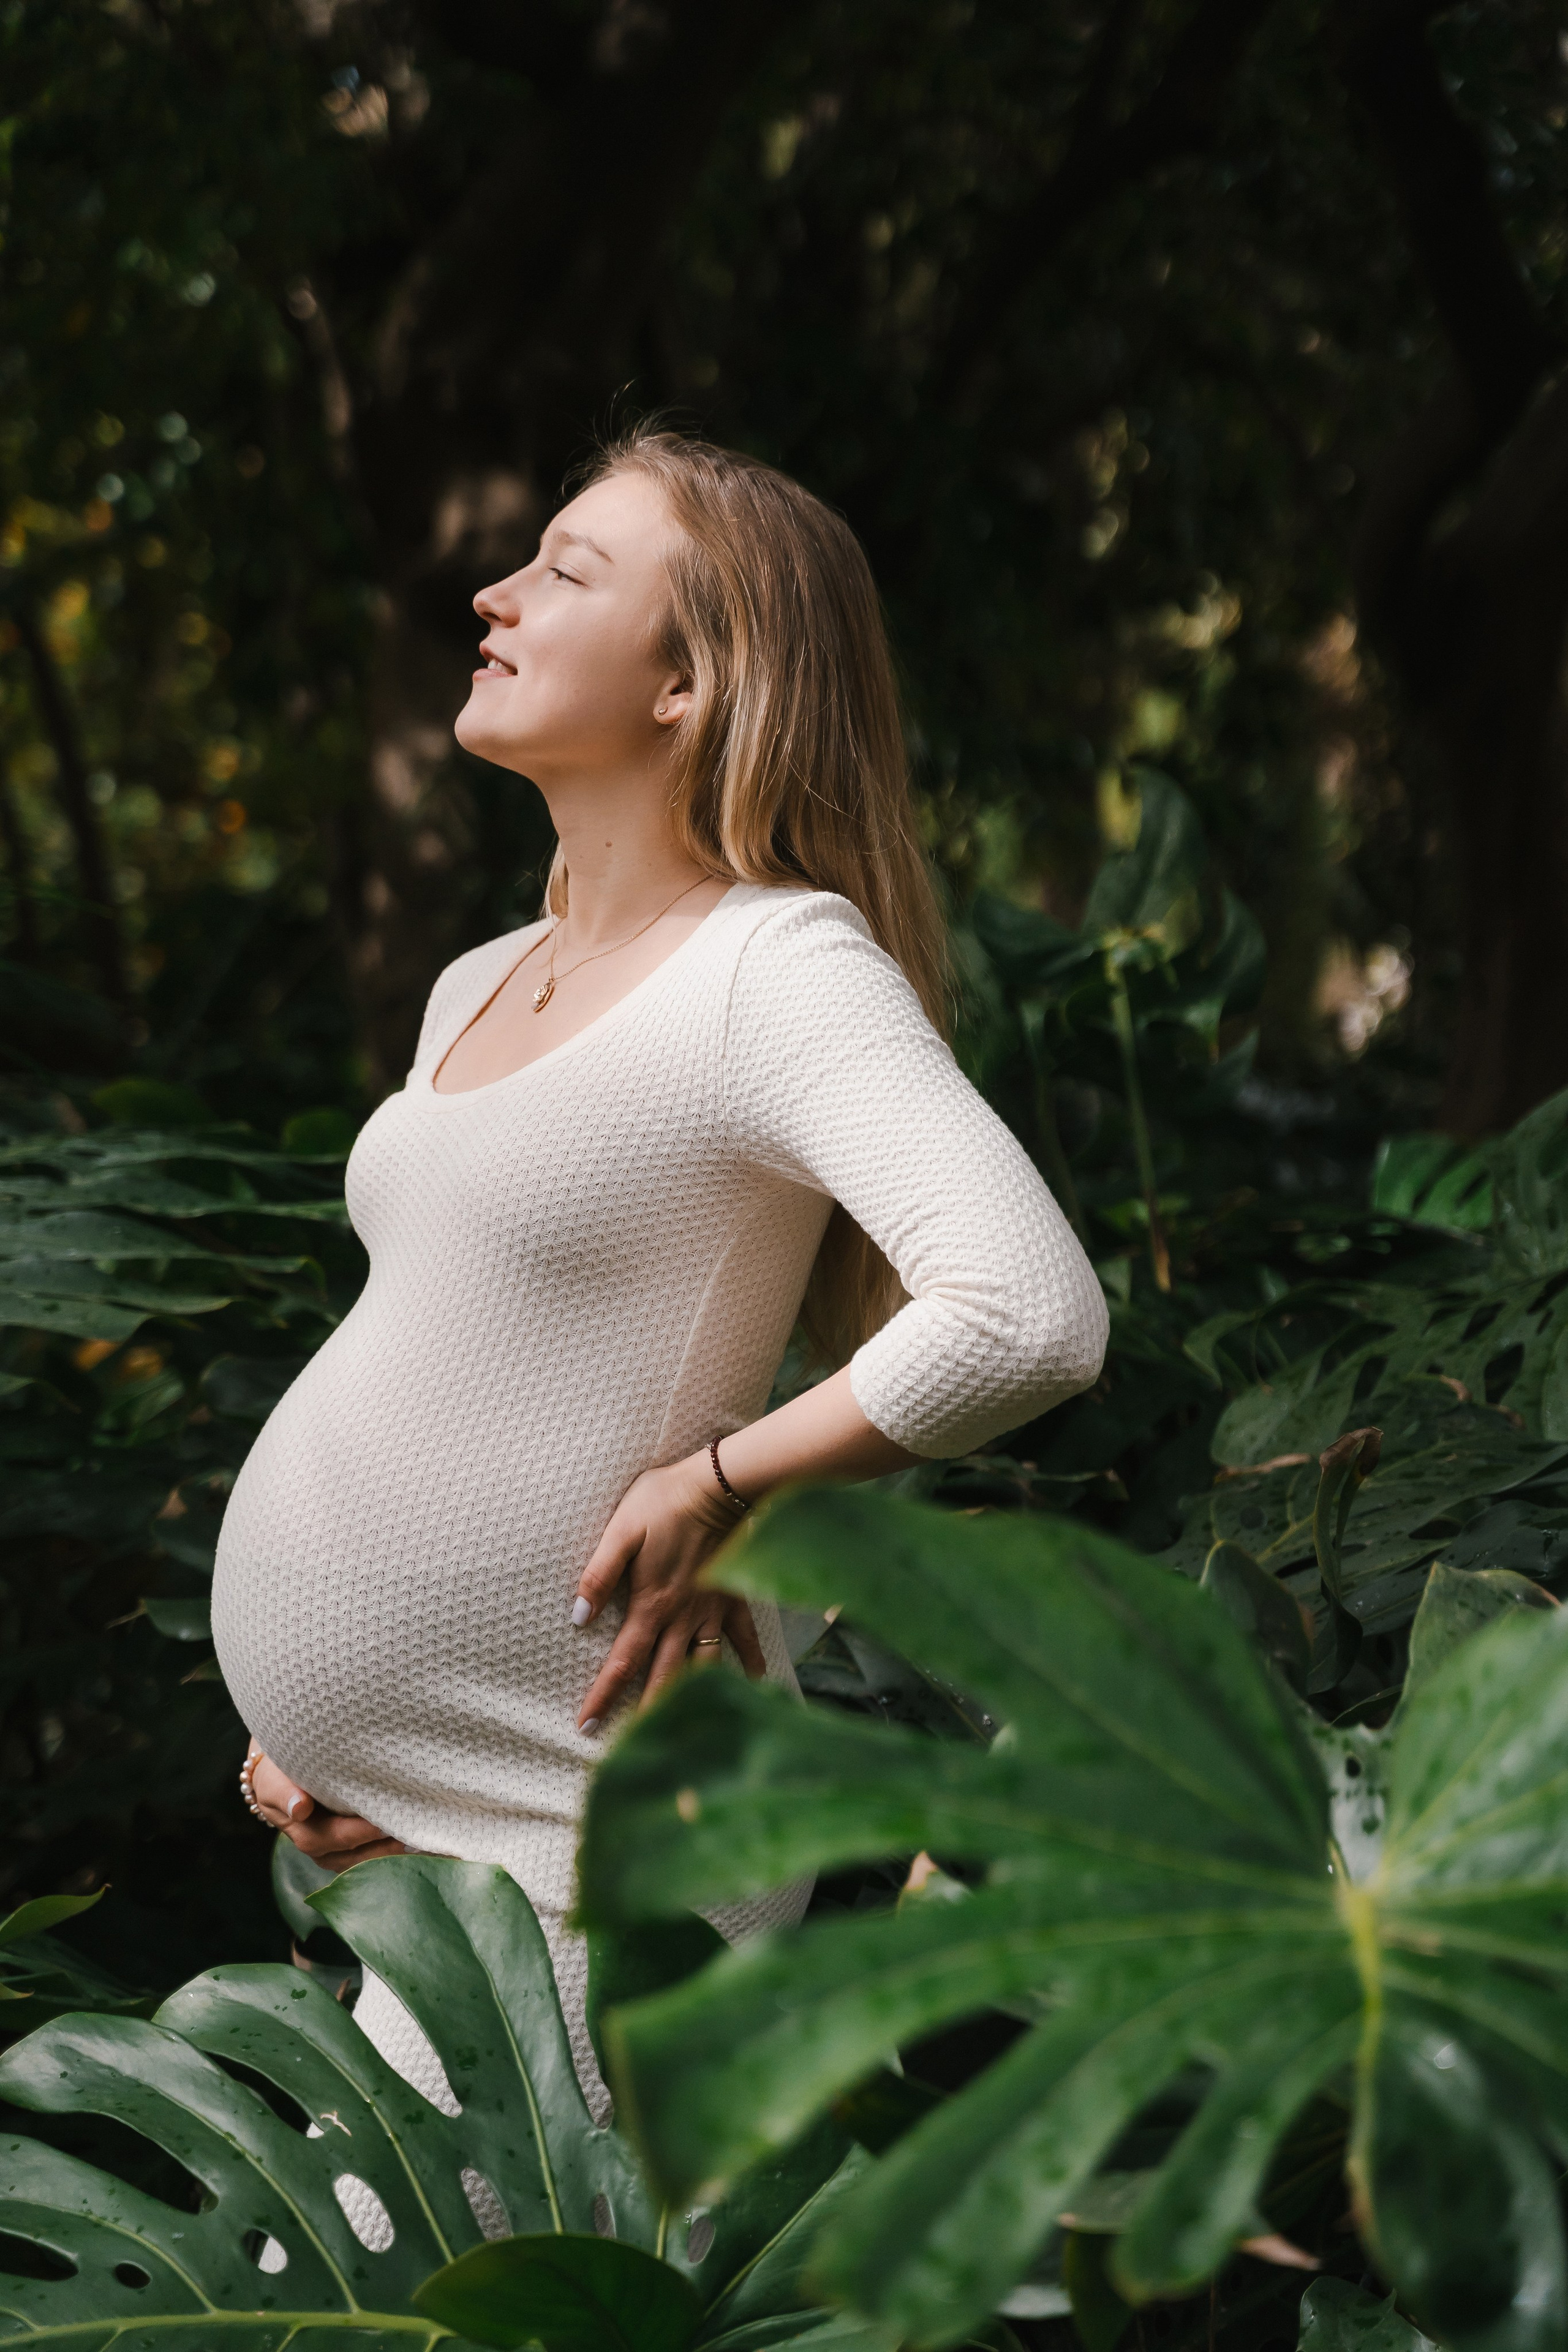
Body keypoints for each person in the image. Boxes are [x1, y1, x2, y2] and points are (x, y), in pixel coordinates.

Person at [211, 427, 1109, 2152]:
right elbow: (477, 1346)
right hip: (442, 1823)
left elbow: (1026, 1312)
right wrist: (326, 1737)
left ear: (690, 681)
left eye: (565, 570)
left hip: (600, 1826)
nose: (495, 594)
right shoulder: (484, 977)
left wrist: (722, 1485)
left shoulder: (777, 966)